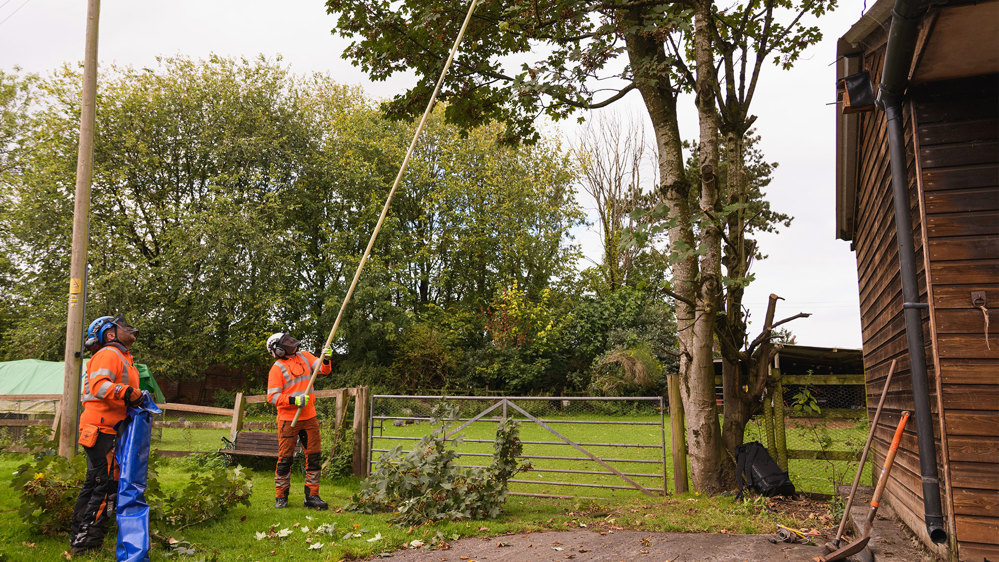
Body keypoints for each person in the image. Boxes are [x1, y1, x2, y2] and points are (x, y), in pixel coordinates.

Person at [70, 314, 142, 555]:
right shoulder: (109, 354)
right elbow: (101, 386)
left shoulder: (124, 358)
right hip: (101, 430)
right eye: (124, 326)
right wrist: (128, 392)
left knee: (95, 484)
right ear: (110, 334)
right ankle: (86, 544)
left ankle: (80, 536)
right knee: (104, 487)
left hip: (107, 428)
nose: (131, 329)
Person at [265, 332, 333, 510]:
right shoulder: (277, 368)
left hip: (309, 417)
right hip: (288, 421)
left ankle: (312, 497)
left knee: (314, 457)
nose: (291, 343)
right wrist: (293, 400)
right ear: (278, 350)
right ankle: (281, 497)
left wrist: (325, 359)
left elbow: (323, 370)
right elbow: (272, 397)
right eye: (285, 343)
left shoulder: (305, 355)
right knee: (285, 459)